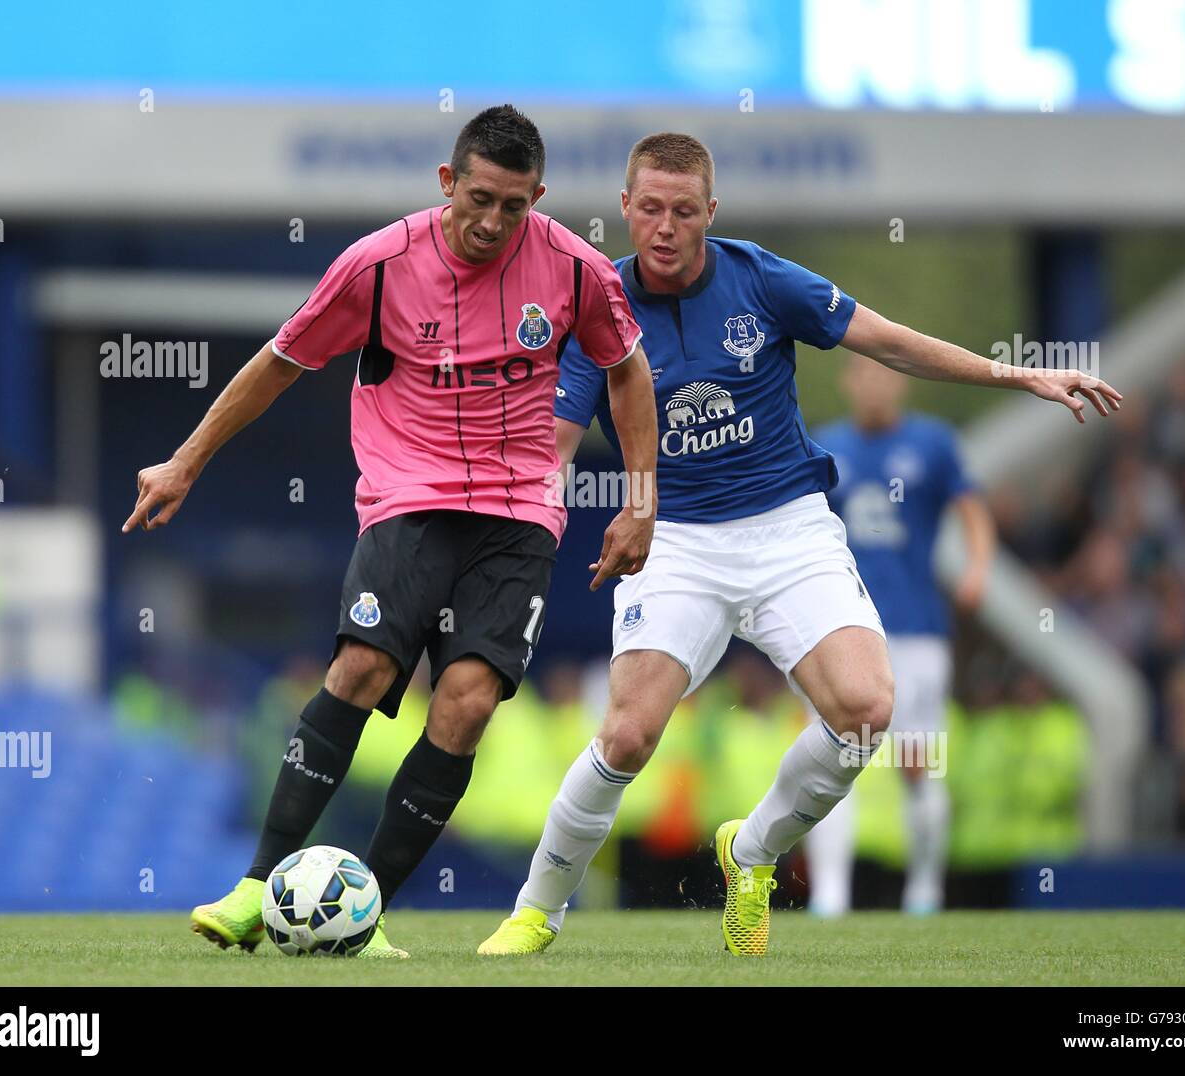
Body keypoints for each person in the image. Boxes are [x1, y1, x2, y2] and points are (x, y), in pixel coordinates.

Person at [477, 132, 1119, 958]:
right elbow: (556, 445)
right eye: (649, 209)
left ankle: (752, 854)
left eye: (683, 211)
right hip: (673, 538)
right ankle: (538, 911)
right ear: (625, 210)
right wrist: (510, 528)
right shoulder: (596, 306)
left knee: (866, 712)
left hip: (789, 530)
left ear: (710, 213)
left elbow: (887, 340)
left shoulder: (761, 279)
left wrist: (1018, 376)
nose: (665, 227)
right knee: (629, 734)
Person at [122, 105, 658, 958]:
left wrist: (639, 501)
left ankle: (361, 916)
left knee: (468, 703)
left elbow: (627, 372)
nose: (492, 221)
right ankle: (257, 887)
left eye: (513, 206)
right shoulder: (377, 266)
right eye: (478, 197)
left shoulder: (575, 269)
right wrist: (186, 461)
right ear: (448, 182)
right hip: (410, 495)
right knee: (365, 666)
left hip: (520, 511)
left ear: (539, 198)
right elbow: (280, 362)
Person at [804, 355, 994, 917]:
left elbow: (972, 508)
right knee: (835, 759)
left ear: (901, 382)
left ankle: (925, 892)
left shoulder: (933, 444)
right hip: (843, 631)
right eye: (862, 375)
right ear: (847, 383)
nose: (873, 386)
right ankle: (830, 898)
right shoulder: (827, 444)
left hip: (917, 632)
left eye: (883, 375)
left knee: (918, 760)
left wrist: (979, 566)